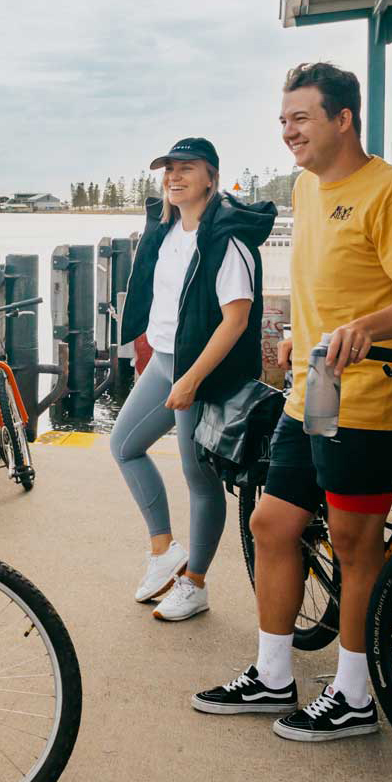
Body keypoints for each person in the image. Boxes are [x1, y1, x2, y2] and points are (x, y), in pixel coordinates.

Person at [192, 62, 392, 741]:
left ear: (343, 119)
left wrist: (368, 327)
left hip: (374, 396)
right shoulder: (306, 189)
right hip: (313, 392)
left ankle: (355, 694)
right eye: (282, 120)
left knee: (355, 545)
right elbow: (323, 286)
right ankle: (274, 674)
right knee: (272, 525)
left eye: (300, 118)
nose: (288, 131)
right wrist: (295, 343)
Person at [112, 138, 275, 622]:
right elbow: (162, 301)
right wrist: (148, 351)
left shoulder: (226, 238)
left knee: (199, 478)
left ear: (211, 177)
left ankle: (195, 582)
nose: (174, 177)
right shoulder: (165, 232)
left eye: (186, 168)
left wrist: (192, 380)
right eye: (169, 170)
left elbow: (236, 320)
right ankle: (164, 550)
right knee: (124, 445)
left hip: (200, 372)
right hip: (163, 361)